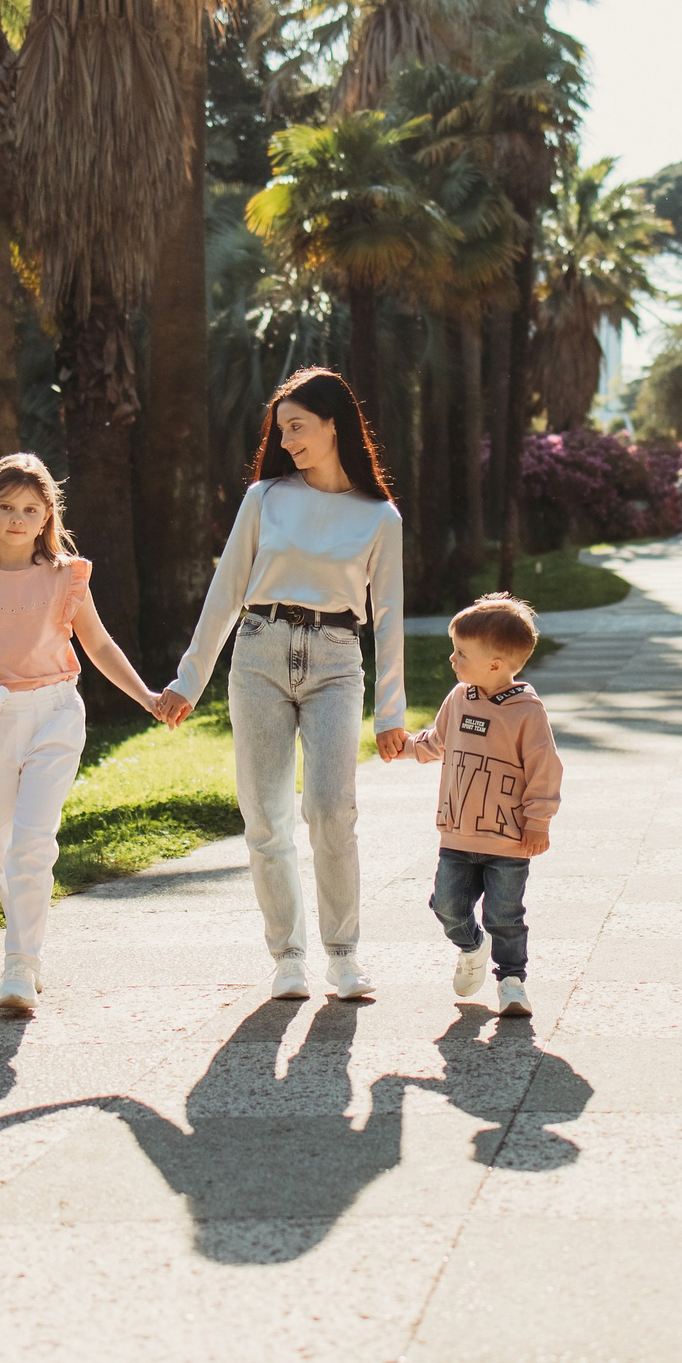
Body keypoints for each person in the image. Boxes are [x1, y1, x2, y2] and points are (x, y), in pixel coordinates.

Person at [153, 369, 409, 1002]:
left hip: (336, 660)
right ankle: (287, 956)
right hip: (259, 653)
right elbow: (227, 590)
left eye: (298, 426)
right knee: (266, 815)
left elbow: (391, 618)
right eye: (281, 429)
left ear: (333, 424)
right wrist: (190, 678)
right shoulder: (265, 497)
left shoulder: (380, 516)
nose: (287, 439)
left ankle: (344, 956)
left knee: (330, 810)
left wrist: (390, 715)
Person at [0, 453, 169, 1014]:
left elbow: (98, 644)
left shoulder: (65, 576)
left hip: (56, 714)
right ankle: (23, 951)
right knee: (1, 847)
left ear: (47, 515)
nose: (18, 518)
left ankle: (21, 966)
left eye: (30, 508)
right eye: (6, 507)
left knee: (31, 842)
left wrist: (145, 696)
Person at [406, 593, 563, 1018]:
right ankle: (471, 946)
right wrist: (402, 746)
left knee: (505, 915)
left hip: (509, 841)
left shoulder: (527, 712)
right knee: (447, 905)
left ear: (495, 664)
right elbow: (438, 741)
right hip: (457, 833)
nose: (452, 660)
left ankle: (512, 981)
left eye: (461, 653)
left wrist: (538, 822)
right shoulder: (458, 698)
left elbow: (545, 768)